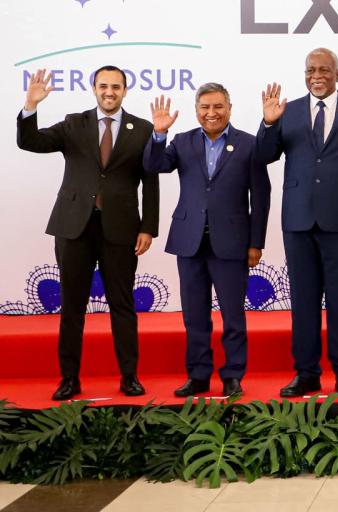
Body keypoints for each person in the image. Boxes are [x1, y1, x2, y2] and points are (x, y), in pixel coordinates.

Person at [17, 66, 159, 400]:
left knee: (122, 305)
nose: (109, 92)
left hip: (121, 228)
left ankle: (129, 377)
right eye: (103, 86)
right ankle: (69, 379)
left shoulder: (142, 129)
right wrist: (30, 107)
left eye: (116, 87)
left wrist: (148, 228)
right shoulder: (74, 124)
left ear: (125, 90)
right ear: (94, 88)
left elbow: (150, 182)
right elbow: (30, 142)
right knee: (72, 307)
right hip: (73, 227)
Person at [257, 48, 338, 398]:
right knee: (303, 301)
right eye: (311, 70)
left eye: (324, 70)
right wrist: (269, 123)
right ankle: (306, 373)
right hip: (298, 220)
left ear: (337, 74)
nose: (317, 76)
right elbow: (264, 156)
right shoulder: (288, 110)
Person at [143, 84, 270, 397]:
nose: (211, 113)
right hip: (189, 241)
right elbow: (154, 166)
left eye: (217, 107)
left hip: (233, 243)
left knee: (233, 316)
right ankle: (198, 375)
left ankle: (233, 375)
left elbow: (261, 197)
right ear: (196, 110)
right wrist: (159, 134)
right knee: (194, 316)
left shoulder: (249, 144)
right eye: (205, 107)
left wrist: (256, 243)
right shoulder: (182, 141)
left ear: (229, 108)